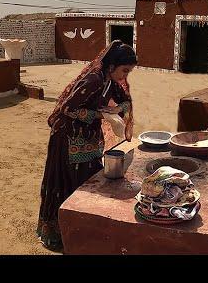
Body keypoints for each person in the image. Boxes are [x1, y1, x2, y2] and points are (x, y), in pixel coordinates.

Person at [37, 40, 137, 250]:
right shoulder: (94, 79)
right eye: (124, 70)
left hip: (88, 138)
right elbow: (67, 109)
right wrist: (102, 114)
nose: (124, 76)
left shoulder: (111, 82)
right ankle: (57, 233)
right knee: (67, 184)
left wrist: (118, 110)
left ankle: (84, 230)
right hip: (68, 137)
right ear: (112, 65)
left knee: (88, 181)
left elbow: (125, 101)